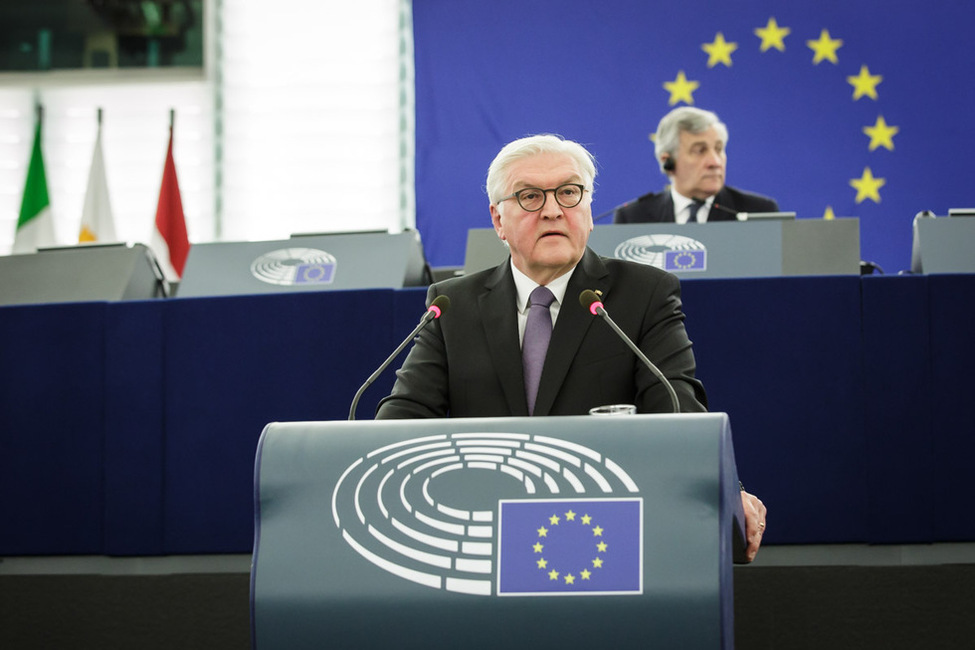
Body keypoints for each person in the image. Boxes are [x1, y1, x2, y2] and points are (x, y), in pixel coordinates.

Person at [376, 134, 766, 561]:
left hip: (606, 533)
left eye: (568, 192)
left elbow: (677, 410)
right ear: (498, 220)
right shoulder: (452, 305)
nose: (552, 209)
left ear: (588, 210)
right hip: (480, 534)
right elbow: (399, 425)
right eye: (529, 196)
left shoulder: (643, 294)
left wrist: (731, 493)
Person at [614, 106, 779, 224]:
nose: (715, 162)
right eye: (700, 151)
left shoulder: (758, 212)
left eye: (719, 149)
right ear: (668, 161)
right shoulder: (633, 218)